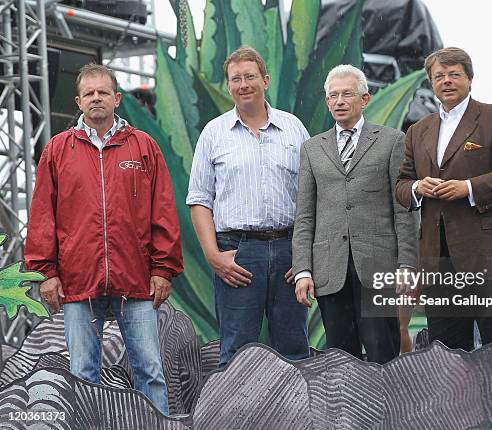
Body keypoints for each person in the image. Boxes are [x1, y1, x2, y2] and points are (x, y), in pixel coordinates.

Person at [25, 64, 183, 415]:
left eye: (103, 92)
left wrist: (163, 269)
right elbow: (41, 216)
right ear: (79, 101)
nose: (96, 98)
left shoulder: (144, 147)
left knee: (150, 372)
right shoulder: (57, 150)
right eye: (89, 93)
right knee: (83, 374)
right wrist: (46, 273)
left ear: (117, 98)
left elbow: (164, 210)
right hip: (77, 280)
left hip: (137, 279)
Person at [395, 47, 492, 351]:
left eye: (454, 74)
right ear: (431, 83)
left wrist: (468, 188)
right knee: (447, 357)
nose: (446, 81)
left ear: (469, 78)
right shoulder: (418, 131)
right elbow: (401, 185)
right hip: (439, 263)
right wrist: (418, 187)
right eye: (439, 76)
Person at [187, 46, 310, 368]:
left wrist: (306, 254)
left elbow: (313, 194)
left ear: (265, 80)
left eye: (250, 77)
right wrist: (213, 256)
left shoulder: (294, 129)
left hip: (289, 252)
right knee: (236, 353)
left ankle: (295, 418)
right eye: (235, 78)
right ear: (228, 85)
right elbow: (199, 199)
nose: (243, 84)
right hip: (236, 254)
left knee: (294, 348)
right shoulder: (214, 134)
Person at [292, 65, 419, 364]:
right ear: (326, 102)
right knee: (339, 358)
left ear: (365, 99)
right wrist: (302, 270)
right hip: (328, 268)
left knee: (382, 352)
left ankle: (387, 410)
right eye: (333, 96)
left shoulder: (391, 141)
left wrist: (406, 264)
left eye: (347, 94)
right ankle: (348, 412)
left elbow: (404, 208)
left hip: (378, 265)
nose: (339, 101)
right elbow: (305, 215)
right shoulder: (312, 149)